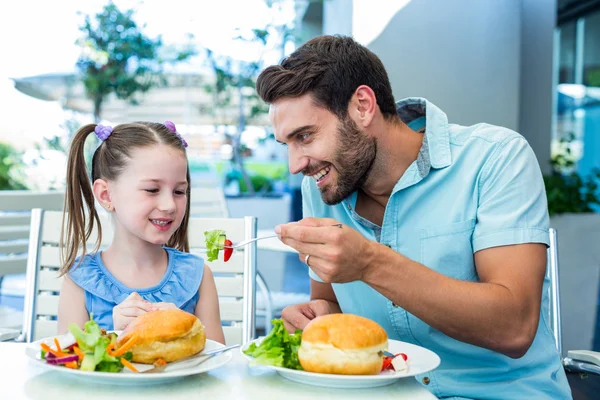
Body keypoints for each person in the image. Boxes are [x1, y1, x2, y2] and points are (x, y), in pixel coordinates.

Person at [256, 35, 571, 399]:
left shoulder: (496, 158)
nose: (295, 165)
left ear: (362, 106)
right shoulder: (322, 186)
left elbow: (514, 328)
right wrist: (316, 315)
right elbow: (333, 303)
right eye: (287, 145)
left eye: (306, 136)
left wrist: (370, 262)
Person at [57, 121, 225, 344]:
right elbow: (69, 366)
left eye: (179, 191)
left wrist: (183, 327)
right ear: (106, 195)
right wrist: (115, 337)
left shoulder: (198, 275)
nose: (169, 205)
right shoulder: (80, 279)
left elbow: (217, 361)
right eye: (152, 190)